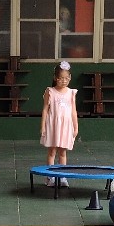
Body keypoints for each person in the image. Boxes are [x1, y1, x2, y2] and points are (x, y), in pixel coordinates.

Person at [39, 60, 79, 189]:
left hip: (66, 126)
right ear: (55, 78)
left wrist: (76, 127)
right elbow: (45, 109)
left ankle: (62, 176)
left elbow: (73, 111)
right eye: (61, 78)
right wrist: (43, 126)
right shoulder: (50, 91)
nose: (64, 81)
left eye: (67, 78)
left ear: (70, 77)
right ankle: (50, 176)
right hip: (53, 125)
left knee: (63, 152)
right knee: (52, 151)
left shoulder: (71, 92)